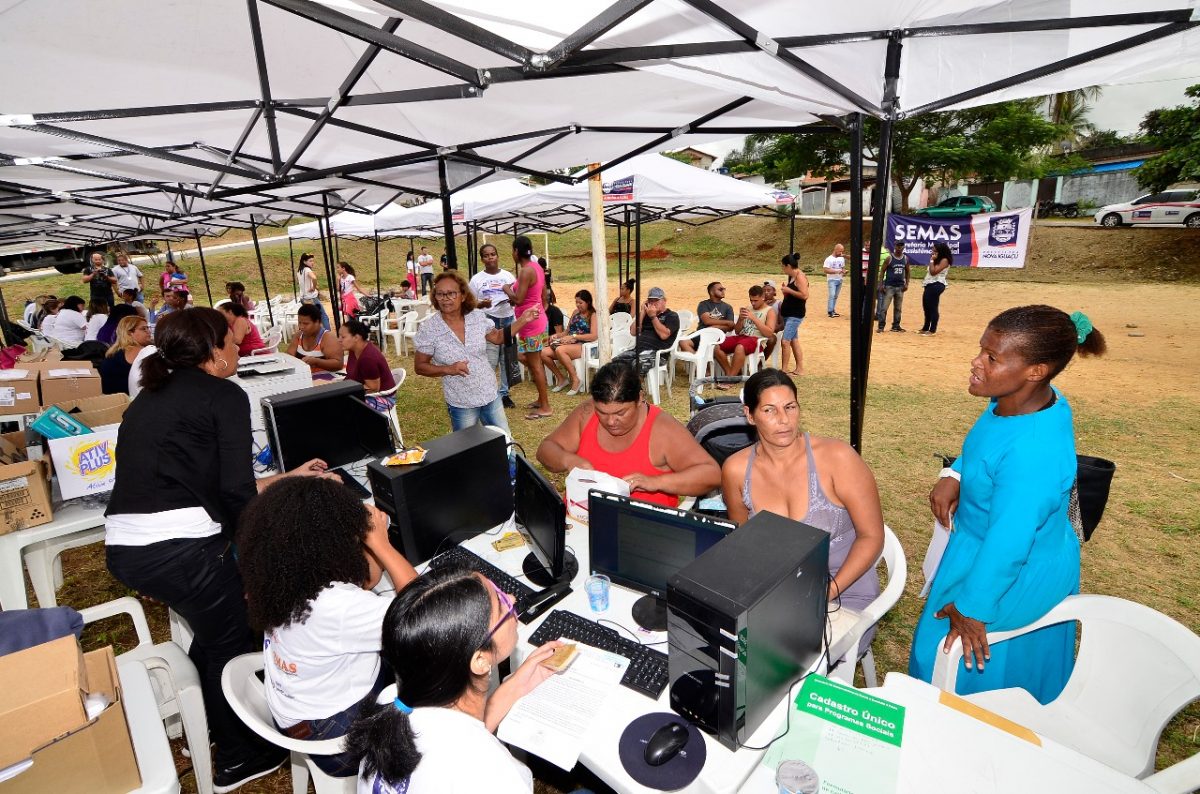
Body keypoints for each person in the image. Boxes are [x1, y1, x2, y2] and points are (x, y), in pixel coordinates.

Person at [104, 308, 333, 791]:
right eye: (232, 341)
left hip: (130, 547)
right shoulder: (224, 395)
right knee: (232, 645)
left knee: (214, 629)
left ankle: (210, 723)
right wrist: (256, 557)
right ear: (212, 352)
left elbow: (209, 485)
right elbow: (234, 494)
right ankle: (238, 757)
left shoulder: (151, 395)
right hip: (182, 550)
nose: (237, 349)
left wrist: (289, 478)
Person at [910, 306, 1106, 704]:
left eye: (992, 357)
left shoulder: (1033, 452)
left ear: (1036, 371)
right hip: (988, 551)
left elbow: (1010, 541)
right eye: (981, 350)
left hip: (1010, 570)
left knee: (956, 665)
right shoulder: (1019, 401)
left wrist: (973, 609)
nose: (976, 362)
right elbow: (991, 443)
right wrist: (956, 474)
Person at [238, 478, 418, 777]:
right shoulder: (336, 607)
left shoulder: (282, 576)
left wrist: (370, 542)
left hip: (299, 712)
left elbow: (366, 581)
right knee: (434, 664)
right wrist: (381, 544)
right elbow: (424, 611)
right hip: (335, 738)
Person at [347, 566, 563, 793]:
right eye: (501, 605)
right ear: (480, 660)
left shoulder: (393, 702)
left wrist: (517, 684)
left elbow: (457, 738)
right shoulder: (494, 776)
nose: (511, 598)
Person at [721, 369, 883, 652]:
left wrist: (825, 594)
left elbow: (871, 536)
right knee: (734, 649)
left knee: (785, 658)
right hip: (779, 591)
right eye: (769, 410)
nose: (783, 419)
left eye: (790, 407)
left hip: (845, 588)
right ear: (750, 415)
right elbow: (743, 545)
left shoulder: (837, 458)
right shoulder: (736, 470)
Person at [537, 359, 721, 508]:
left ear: (640, 398)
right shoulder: (586, 412)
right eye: (602, 412)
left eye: (620, 413)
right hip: (579, 521)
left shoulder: (663, 429)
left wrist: (655, 482)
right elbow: (546, 449)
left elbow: (711, 474)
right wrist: (568, 460)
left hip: (639, 529)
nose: (610, 421)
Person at [416, 271, 522, 433]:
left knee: (503, 442)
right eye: (440, 294)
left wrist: (524, 319)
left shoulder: (477, 317)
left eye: (451, 293)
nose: (445, 298)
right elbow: (420, 366)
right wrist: (449, 369)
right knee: (469, 447)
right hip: (461, 401)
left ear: (463, 295)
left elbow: (498, 337)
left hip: (489, 394)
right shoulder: (429, 329)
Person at [503, 236, 551, 420]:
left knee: (535, 364)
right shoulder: (537, 266)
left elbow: (519, 299)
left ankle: (545, 407)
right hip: (537, 319)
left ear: (516, 251)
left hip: (530, 323)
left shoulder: (525, 271)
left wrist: (506, 288)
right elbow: (543, 295)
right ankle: (541, 399)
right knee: (534, 362)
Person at [468, 243, 517, 410]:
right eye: (486, 255)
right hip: (489, 320)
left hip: (508, 319)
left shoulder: (508, 276)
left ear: (497, 256)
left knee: (506, 358)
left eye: (493, 254)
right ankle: (489, 393)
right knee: (490, 359)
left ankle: (504, 394)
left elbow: (516, 297)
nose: (490, 258)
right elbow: (470, 303)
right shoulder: (476, 279)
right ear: (482, 259)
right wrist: (482, 304)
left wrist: (512, 300)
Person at [713, 285, 776, 379]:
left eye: (755, 300)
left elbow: (769, 333)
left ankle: (730, 379)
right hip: (742, 337)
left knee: (740, 347)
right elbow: (737, 331)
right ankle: (730, 374)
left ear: (763, 297)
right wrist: (740, 319)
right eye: (751, 300)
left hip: (756, 340)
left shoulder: (769, 311)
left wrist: (754, 318)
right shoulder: (748, 308)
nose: (753, 303)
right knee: (717, 345)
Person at [542, 289, 597, 396]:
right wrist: (557, 336)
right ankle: (561, 378)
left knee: (560, 350)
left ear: (588, 302)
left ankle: (576, 379)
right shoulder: (575, 312)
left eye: (580, 303)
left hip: (583, 344)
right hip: (569, 343)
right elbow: (567, 331)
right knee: (543, 353)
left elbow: (594, 336)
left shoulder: (593, 315)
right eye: (576, 302)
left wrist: (574, 336)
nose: (578, 305)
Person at [616, 286, 679, 376]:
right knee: (615, 363)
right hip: (638, 350)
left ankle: (637, 385)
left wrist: (653, 317)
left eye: (656, 300)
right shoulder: (645, 315)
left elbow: (664, 335)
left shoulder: (671, 316)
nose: (652, 303)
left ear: (664, 301)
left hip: (657, 354)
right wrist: (642, 312)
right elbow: (633, 332)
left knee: (636, 366)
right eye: (650, 301)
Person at [338, 319, 396, 412]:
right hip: (368, 394)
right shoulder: (355, 350)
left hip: (382, 399)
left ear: (356, 337)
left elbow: (373, 388)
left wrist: (344, 391)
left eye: (343, 337)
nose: (339, 340)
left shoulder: (367, 358)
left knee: (338, 407)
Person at [286, 303, 343, 380]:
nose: (301, 327)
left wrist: (317, 362)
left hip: (325, 381)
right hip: (303, 379)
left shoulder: (328, 338)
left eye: (306, 324)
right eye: (299, 322)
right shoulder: (298, 336)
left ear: (317, 322)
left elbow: (338, 364)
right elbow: (289, 358)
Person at [98, 315, 152, 395]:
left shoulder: (113, 352)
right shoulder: (142, 351)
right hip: (130, 399)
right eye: (143, 329)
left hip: (110, 398)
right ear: (130, 333)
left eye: (148, 328)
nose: (149, 331)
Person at [678, 281, 734, 354]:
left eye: (724, 289)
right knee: (683, 342)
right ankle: (698, 359)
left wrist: (716, 327)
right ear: (711, 292)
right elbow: (707, 321)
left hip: (718, 337)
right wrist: (726, 322)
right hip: (702, 334)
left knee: (716, 348)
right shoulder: (703, 304)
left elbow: (731, 326)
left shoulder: (728, 307)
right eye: (720, 289)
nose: (723, 291)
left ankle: (700, 359)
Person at [778, 255, 809, 375]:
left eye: (783, 266)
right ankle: (799, 369)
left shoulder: (800, 276)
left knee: (785, 341)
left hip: (795, 315)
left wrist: (788, 290)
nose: (782, 269)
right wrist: (787, 291)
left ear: (788, 266)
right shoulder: (793, 276)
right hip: (789, 313)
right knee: (793, 341)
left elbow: (805, 295)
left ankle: (784, 370)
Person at [876, 241, 910, 333]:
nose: (899, 248)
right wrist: (881, 284)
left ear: (903, 247)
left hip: (900, 287)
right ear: (895, 246)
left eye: (901, 246)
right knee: (884, 308)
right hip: (889, 286)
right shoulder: (889, 258)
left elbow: (908, 271)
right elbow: (882, 271)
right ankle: (881, 326)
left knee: (898, 308)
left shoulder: (905, 258)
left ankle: (896, 326)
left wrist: (907, 283)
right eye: (898, 246)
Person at [919, 243, 953, 336]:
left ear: (940, 251)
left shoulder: (944, 260)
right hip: (929, 284)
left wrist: (931, 260)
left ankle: (932, 330)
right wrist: (933, 260)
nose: (932, 252)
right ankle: (925, 327)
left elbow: (933, 272)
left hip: (937, 284)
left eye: (935, 251)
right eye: (932, 250)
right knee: (926, 306)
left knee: (933, 307)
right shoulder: (936, 260)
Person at [296, 253, 330, 331]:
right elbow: (314, 278)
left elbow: (300, 283)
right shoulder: (307, 270)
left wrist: (311, 286)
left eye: (313, 261)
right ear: (304, 261)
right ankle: (327, 333)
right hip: (311, 298)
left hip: (303, 298)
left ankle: (313, 333)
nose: (312, 263)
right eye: (310, 261)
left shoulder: (299, 271)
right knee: (323, 316)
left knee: (311, 318)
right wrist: (313, 287)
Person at [823, 243, 846, 318]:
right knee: (832, 295)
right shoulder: (829, 259)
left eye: (842, 251)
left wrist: (844, 272)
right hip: (832, 280)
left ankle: (833, 310)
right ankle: (830, 311)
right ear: (835, 250)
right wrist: (836, 271)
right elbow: (825, 270)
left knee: (835, 296)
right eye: (840, 251)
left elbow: (842, 268)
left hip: (840, 279)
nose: (841, 253)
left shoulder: (841, 258)